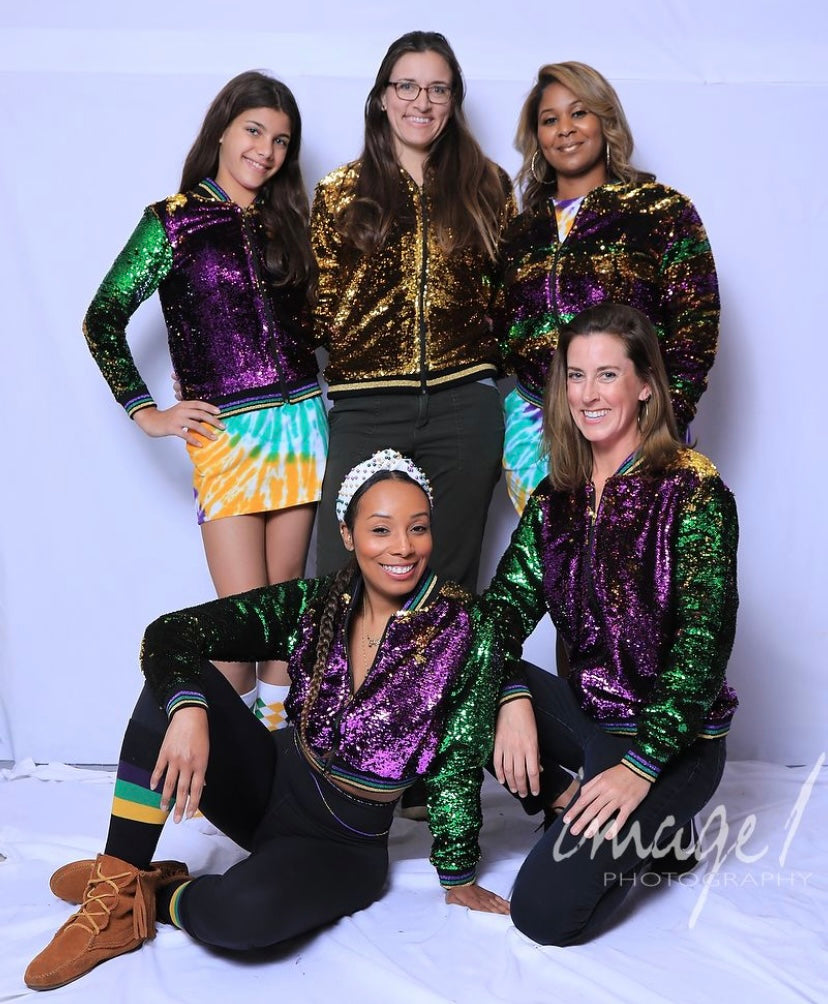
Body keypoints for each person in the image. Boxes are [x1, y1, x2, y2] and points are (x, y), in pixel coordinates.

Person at [24, 450, 509, 992]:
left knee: (241, 920)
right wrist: (189, 709)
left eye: (418, 528)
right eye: (381, 529)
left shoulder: (465, 627)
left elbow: (458, 759)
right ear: (348, 535)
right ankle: (115, 893)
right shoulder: (314, 602)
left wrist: (458, 873)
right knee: (175, 686)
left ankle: (154, 893)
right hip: (271, 783)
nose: (403, 547)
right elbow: (168, 633)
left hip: (344, 842)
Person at [480, 302, 738, 946]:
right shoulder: (555, 499)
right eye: (575, 375)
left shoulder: (692, 490)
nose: (588, 394)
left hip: (671, 741)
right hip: (591, 717)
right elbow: (497, 616)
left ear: (645, 384)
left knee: (541, 914)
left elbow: (703, 645)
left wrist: (641, 766)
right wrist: (508, 693)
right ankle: (572, 801)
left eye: (607, 375)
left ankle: (659, 825)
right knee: (449, 664)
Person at [82, 71, 327, 727]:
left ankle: (279, 763)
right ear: (222, 129)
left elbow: (312, 328)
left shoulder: (288, 224)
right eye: (254, 130)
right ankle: (235, 766)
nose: (265, 151)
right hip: (226, 435)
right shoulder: (173, 221)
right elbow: (103, 316)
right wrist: (147, 412)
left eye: (281, 140)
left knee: (284, 626)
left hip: (301, 427)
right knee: (237, 631)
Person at [311, 29, 515, 595]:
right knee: (341, 584)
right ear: (383, 96)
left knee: (446, 588)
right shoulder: (339, 192)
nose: (421, 102)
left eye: (437, 89)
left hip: (464, 408)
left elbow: (510, 299)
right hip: (366, 407)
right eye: (407, 86)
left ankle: (438, 663)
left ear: (453, 101)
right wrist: (232, 367)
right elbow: (314, 308)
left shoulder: (488, 187)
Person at [499, 61, 720, 515]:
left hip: (628, 422)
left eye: (579, 113)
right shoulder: (522, 231)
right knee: (549, 552)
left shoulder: (660, 212)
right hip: (535, 429)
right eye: (549, 119)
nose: (565, 129)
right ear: (537, 137)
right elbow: (500, 325)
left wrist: (666, 414)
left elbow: (696, 322)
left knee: (626, 554)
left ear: (605, 120)